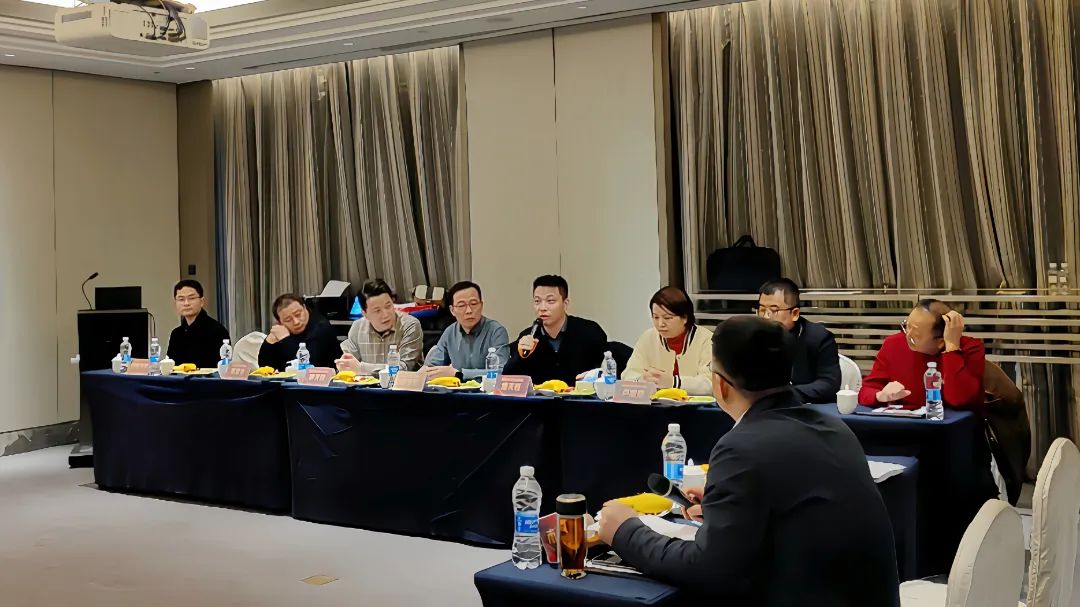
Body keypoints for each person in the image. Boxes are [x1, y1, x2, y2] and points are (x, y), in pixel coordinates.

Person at [598, 316, 900, 605]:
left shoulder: (741, 448)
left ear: (720, 384)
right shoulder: (834, 428)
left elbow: (709, 569)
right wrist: (723, 502)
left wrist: (626, 531)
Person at [859, 299, 985, 410]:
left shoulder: (971, 348)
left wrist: (952, 348)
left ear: (940, 342)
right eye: (907, 326)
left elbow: (959, 400)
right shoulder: (893, 344)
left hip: (952, 426)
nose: (907, 336)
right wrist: (879, 396)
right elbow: (866, 391)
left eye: (917, 335)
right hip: (904, 423)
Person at [502, 275, 608, 385]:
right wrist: (519, 357)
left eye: (550, 301)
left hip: (582, 395)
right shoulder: (528, 337)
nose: (542, 308)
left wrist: (595, 376)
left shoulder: (590, 332)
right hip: (540, 396)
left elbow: (609, 372)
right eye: (537, 301)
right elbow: (507, 382)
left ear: (565, 303)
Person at [756, 279, 841, 403]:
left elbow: (829, 384)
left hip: (805, 407)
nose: (766, 317)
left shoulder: (819, 338)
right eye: (762, 310)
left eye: (774, 311)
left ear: (794, 313)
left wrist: (785, 394)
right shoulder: (752, 336)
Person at [622, 286, 714, 395]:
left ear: (685, 318)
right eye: (656, 317)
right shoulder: (648, 338)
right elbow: (628, 375)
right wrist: (642, 380)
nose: (660, 324)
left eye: (667, 318)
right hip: (656, 404)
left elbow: (710, 384)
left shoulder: (706, 340)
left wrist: (674, 382)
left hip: (695, 405)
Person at [422, 281, 510, 380]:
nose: (469, 311)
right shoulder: (449, 332)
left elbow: (501, 372)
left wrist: (459, 374)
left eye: (473, 304)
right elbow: (432, 367)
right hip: (456, 389)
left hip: (487, 388)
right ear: (452, 310)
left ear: (481, 305)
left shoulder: (496, 331)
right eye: (461, 305)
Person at [338, 279, 423, 374]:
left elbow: (405, 368)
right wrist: (344, 365)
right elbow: (348, 363)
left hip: (402, 383)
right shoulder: (357, 328)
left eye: (388, 306)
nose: (385, 314)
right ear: (365, 314)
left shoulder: (410, 325)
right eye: (377, 310)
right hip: (365, 383)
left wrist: (362, 368)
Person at [258, 293, 339, 370]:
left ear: (304, 307)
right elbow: (264, 368)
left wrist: (286, 340)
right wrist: (269, 343)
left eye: (298, 314)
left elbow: (308, 365)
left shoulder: (321, 327)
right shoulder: (283, 330)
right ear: (280, 322)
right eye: (288, 320)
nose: (296, 322)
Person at [166, 279, 230, 368]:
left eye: (191, 298)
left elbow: (221, 367)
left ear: (202, 301)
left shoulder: (217, 331)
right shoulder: (176, 334)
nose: (186, 303)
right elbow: (171, 366)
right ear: (175, 303)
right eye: (181, 299)